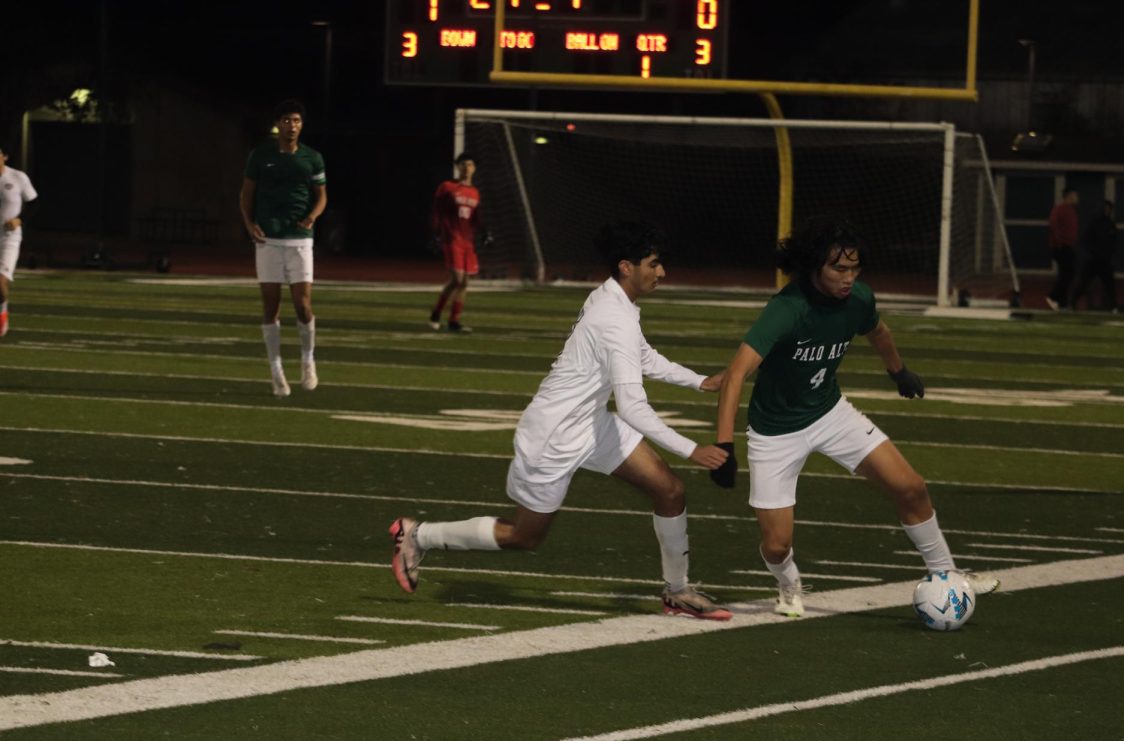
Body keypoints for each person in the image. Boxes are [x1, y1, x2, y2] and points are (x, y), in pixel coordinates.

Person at [392, 221, 734, 621]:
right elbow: (634, 409)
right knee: (524, 536)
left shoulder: (614, 300)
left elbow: (641, 354)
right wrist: (694, 450)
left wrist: (699, 382)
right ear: (627, 266)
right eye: (654, 264)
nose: (662, 273)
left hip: (590, 423)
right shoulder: (613, 318)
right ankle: (418, 536)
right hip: (552, 437)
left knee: (670, 491)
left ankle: (677, 592)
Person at [710, 216, 998, 617]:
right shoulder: (787, 309)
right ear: (814, 266)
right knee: (776, 545)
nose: (848, 278)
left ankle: (947, 574)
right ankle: (788, 581)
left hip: (831, 414)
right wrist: (725, 445)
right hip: (775, 432)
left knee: (911, 488)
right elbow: (737, 373)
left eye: (854, 268)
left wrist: (898, 371)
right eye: (838, 269)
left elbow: (879, 332)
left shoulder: (859, 299)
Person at [239, 99, 327, 397]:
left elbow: (322, 196)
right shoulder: (260, 155)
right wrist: (250, 225)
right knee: (271, 307)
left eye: (297, 120)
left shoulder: (312, 157)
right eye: (287, 120)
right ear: (279, 123)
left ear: (302, 125)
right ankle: (276, 370)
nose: (292, 125)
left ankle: (307, 359)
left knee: (303, 306)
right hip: (268, 239)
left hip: (300, 238)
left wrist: (313, 215)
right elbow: (246, 195)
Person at [428, 152, 491, 333]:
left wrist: (485, 233)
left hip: (467, 241)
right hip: (451, 238)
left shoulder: (475, 192)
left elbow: (475, 218)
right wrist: (435, 233)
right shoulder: (447, 187)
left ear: (474, 168)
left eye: (470, 165)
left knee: (463, 283)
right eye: (463, 164)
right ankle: (437, 312)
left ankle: (453, 320)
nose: (467, 168)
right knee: (457, 278)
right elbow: (437, 212)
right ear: (458, 167)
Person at [0, 143, 40, 338]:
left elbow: (34, 204)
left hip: (9, 238)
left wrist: (19, 219)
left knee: (0, 284)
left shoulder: (17, 177)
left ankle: (2, 314)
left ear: (5, 156)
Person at [1069, 200, 1118, 312]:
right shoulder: (1094, 223)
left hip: (1105, 261)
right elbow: (1086, 239)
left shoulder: (1111, 225)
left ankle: (1114, 306)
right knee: (1083, 282)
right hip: (1094, 260)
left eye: (1109, 209)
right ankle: (1072, 303)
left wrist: (1111, 256)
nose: (1107, 211)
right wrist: (1092, 252)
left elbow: (1114, 242)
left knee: (1110, 285)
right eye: (1105, 208)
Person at [1045, 187, 1079, 311]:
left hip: (1068, 246)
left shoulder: (1071, 211)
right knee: (1067, 274)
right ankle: (1053, 296)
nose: (1077, 198)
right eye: (1075, 195)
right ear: (1069, 196)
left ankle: (1062, 302)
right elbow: (1053, 225)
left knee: (1067, 274)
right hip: (1062, 246)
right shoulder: (1060, 209)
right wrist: (1059, 243)